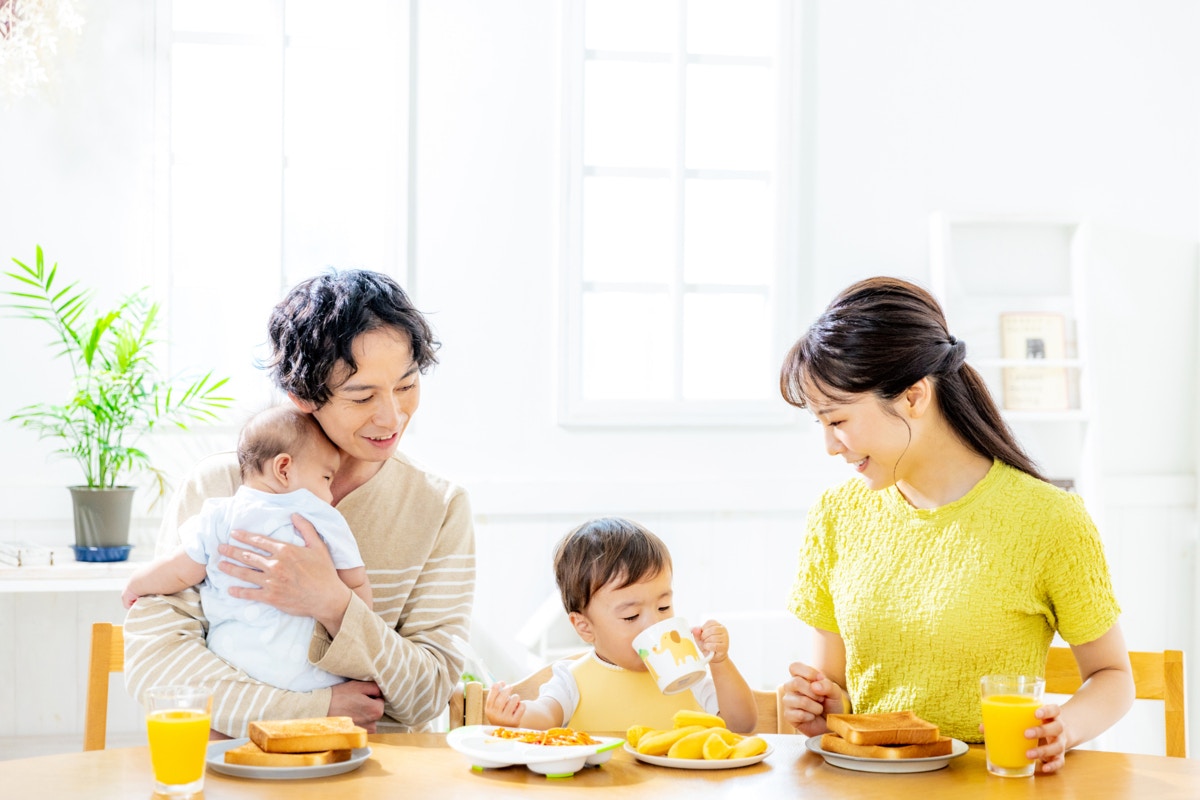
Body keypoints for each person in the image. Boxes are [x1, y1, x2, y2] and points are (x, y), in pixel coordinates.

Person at [777, 276, 1134, 774]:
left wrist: (1064, 729)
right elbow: (831, 684)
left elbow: (1113, 676)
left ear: (913, 397)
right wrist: (820, 707)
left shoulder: (1049, 520)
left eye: (837, 420)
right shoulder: (836, 516)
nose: (830, 446)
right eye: (821, 424)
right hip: (865, 782)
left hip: (992, 783)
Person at [123, 269, 475, 737]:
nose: (392, 416)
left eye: (406, 386)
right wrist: (316, 709)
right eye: (362, 395)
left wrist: (333, 603)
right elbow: (158, 668)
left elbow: (425, 694)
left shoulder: (439, 506)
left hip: (377, 774)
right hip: (237, 769)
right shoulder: (219, 487)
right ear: (302, 395)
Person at [122, 404, 373, 693]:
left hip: (234, 670)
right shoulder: (322, 518)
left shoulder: (219, 516)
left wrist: (135, 585)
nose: (329, 494)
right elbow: (354, 582)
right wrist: (361, 629)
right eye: (326, 478)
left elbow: (178, 570)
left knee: (224, 732)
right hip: (307, 678)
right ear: (284, 469)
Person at [484, 517, 758, 733]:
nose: (655, 623)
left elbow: (742, 725)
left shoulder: (686, 670)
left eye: (664, 607)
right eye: (630, 617)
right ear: (584, 627)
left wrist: (719, 662)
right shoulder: (573, 679)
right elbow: (545, 716)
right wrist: (517, 716)